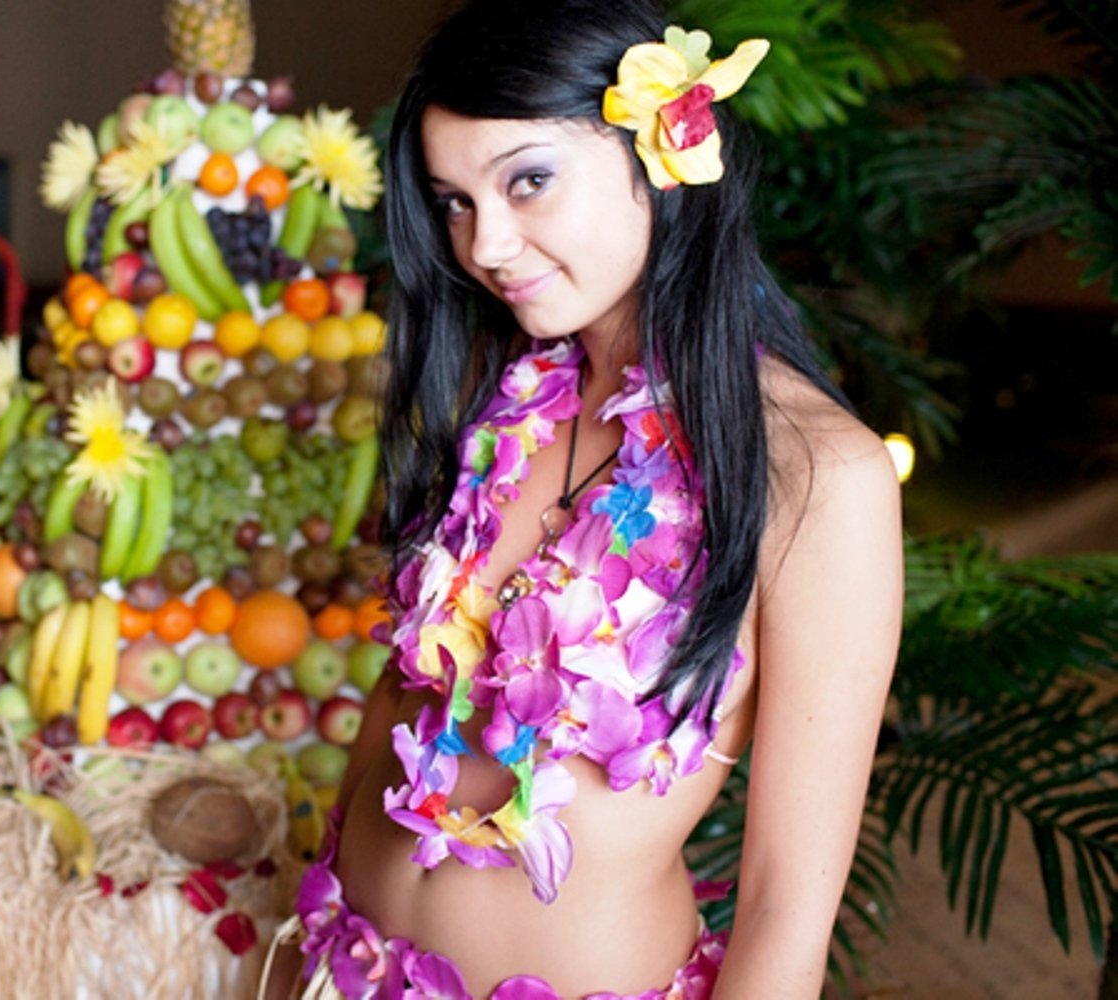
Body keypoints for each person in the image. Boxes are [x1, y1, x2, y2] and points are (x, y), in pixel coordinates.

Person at [260, 0, 903, 996]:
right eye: (454, 201)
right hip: (349, 967)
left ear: (665, 149)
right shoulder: (502, 405)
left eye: (528, 180)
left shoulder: (817, 474)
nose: (485, 245)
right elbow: (406, 696)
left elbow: (786, 906)